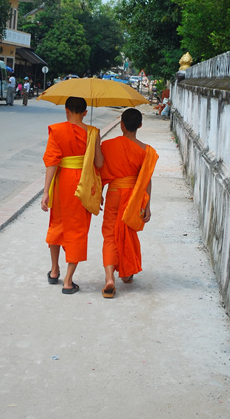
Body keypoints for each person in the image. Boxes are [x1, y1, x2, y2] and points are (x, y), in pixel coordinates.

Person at [41, 96, 104, 294]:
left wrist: (46, 192)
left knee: (57, 223)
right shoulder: (93, 132)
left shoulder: (57, 130)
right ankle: (68, 280)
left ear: (66, 110)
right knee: (78, 228)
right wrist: (93, 141)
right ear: (85, 112)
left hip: (62, 183)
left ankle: (54, 270)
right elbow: (100, 164)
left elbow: (52, 162)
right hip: (83, 185)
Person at [99, 108, 159, 298]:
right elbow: (146, 180)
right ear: (140, 125)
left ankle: (109, 277)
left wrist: (99, 193)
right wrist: (147, 206)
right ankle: (126, 273)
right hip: (133, 198)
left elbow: (99, 170)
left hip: (114, 193)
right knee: (128, 232)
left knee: (110, 234)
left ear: (121, 125)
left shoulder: (108, 146)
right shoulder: (146, 151)